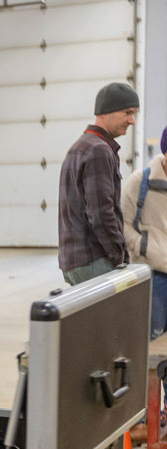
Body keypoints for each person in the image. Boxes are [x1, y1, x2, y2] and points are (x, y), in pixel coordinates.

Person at [58, 82, 139, 285]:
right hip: (95, 260)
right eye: (127, 113)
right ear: (106, 112)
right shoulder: (99, 150)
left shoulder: (80, 146)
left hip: (75, 261)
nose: (132, 121)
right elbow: (101, 213)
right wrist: (118, 258)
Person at [122, 126, 167, 339]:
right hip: (153, 276)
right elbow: (121, 224)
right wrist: (143, 246)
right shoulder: (140, 182)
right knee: (151, 344)